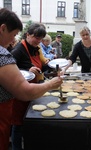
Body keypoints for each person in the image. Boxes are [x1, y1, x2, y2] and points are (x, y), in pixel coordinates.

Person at [0, 8, 62, 150]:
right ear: (2, 29)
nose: (13, 40)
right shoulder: (5, 54)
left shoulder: (36, 48)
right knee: (17, 128)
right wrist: (51, 84)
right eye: (14, 34)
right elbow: (23, 90)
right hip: (12, 102)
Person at [10, 23, 53, 150]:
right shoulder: (18, 50)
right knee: (17, 124)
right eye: (36, 38)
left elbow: (41, 67)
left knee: (27, 122)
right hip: (19, 92)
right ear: (28, 35)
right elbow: (10, 69)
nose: (39, 41)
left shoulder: (36, 48)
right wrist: (27, 69)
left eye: (41, 38)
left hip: (32, 89)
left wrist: (51, 67)